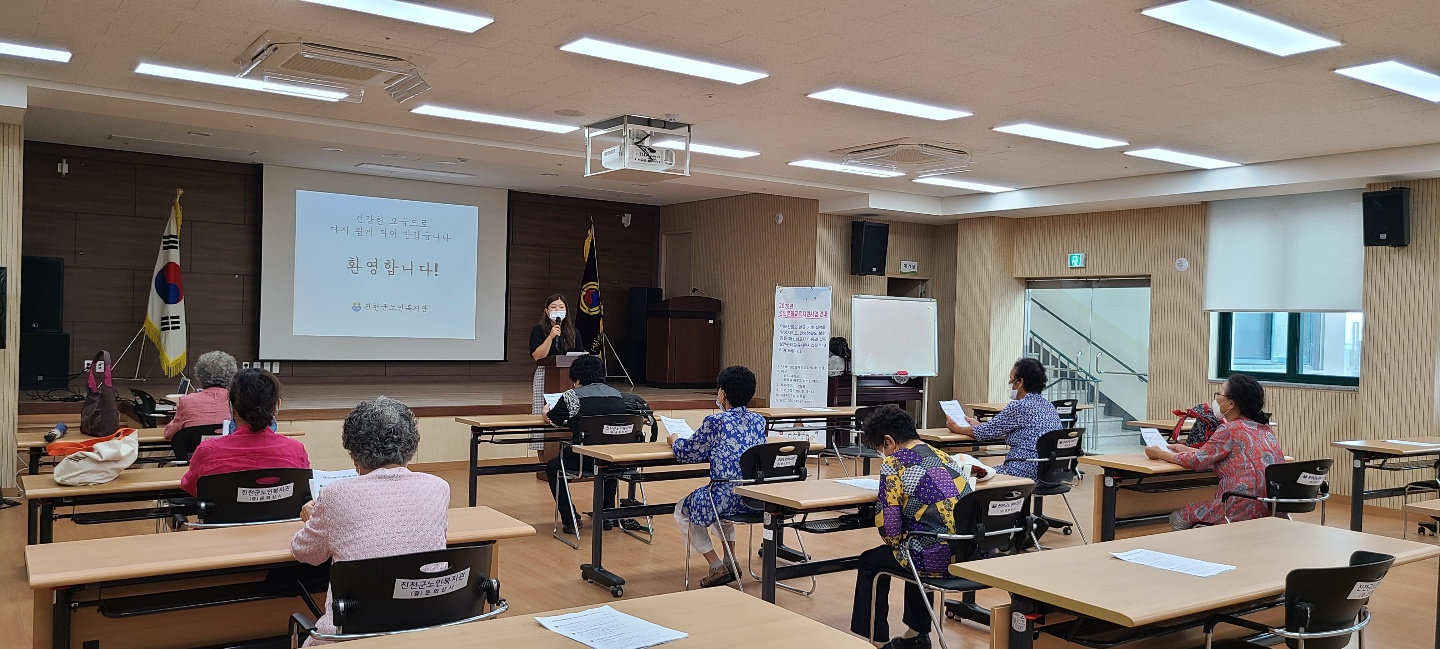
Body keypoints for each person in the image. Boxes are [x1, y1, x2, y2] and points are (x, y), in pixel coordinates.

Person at [291, 397, 449, 646]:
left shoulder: (334, 495)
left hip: (353, 635)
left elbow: (305, 553)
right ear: (411, 446)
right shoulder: (438, 487)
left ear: (354, 453)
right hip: (424, 630)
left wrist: (314, 519)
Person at [851, 405, 993, 649]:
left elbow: (891, 530)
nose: (881, 455)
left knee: (872, 560)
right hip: (969, 553)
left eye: (879, 449)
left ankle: (876, 640)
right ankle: (915, 634)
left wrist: (897, 539)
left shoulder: (894, 463)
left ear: (889, 441)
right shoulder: (943, 456)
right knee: (916, 544)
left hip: (937, 560)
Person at [665, 365, 767, 588]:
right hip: (753, 497)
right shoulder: (759, 421)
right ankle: (731, 560)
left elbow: (687, 454)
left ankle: (716, 565)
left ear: (722, 393)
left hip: (724, 497)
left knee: (684, 510)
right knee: (722, 508)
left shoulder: (716, 422)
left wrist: (674, 440)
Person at [1145, 373, 1284, 530]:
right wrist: (1185, 449)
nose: (1216, 399)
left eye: (1219, 394)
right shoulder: (1265, 429)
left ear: (1230, 404)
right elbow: (1226, 456)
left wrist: (1159, 453)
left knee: (1178, 518)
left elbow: (1197, 461)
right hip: (1271, 506)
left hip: (1239, 505)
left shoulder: (1229, 429)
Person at [180, 368, 309, 496]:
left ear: (231, 407)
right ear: (277, 406)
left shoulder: (207, 451)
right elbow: (303, 488)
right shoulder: (297, 450)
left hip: (226, 510)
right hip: (280, 510)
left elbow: (191, 487)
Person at [545, 353, 628, 535]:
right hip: (615, 459)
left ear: (577, 378)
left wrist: (545, 412)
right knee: (608, 460)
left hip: (584, 459)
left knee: (553, 467)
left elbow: (553, 421)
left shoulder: (572, 396)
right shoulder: (617, 395)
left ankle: (570, 519)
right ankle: (606, 515)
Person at [951, 358, 1062, 480]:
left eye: (1011, 379)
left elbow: (984, 433)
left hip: (1024, 471)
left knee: (972, 474)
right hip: (1051, 475)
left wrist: (957, 428)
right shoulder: (1048, 405)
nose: (1009, 382)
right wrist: (979, 426)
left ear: (1019, 382)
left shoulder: (1020, 406)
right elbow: (993, 429)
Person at [163, 350, 237, 439]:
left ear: (198, 375)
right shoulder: (238, 400)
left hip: (195, 448)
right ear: (232, 376)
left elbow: (169, 433)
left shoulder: (186, 401)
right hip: (229, 447)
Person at [529, 294, 578, 414]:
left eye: (561, 307)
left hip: (569, 375)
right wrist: (551, 336)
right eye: (554, 307)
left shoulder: (574, 332)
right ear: (547, 311)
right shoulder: (538, 330)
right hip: (545, 374)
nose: (557, 310)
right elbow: (537, 357)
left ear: (566, 310)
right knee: (540, 409)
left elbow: (579, 356)